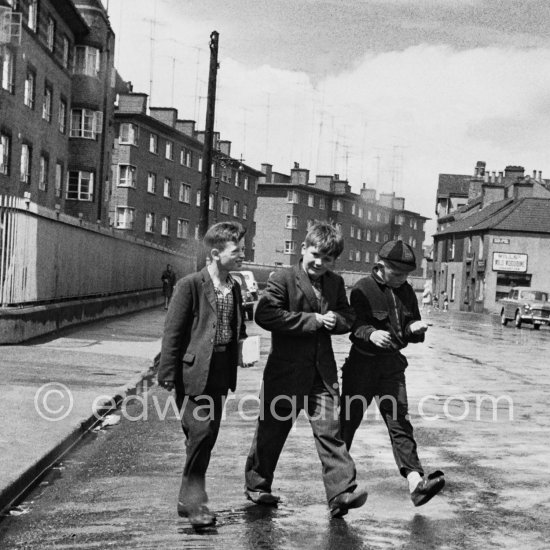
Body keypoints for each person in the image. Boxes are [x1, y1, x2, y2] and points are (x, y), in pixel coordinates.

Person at [244, 222, 368, 519]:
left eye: (327, 259)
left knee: (330, 432)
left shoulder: (335, 283)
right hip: (285, 372)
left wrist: (336, 320)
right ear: (303, 249)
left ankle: (341, 494)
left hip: (321, 374)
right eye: (315, 254)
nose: (319, 263)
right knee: (272, 430)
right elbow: (266, 314)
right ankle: (258, 485)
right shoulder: (283, 278)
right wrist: (312, 320)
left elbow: (347, 315)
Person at [340, 240, 445, 507]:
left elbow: (408, 326)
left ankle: (416, 484)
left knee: (400, 424)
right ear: (381, 266)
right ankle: (339, 490)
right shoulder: (362, 288)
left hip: (391, 368)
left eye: (406, 275)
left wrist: (415, 329)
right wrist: (371, 334)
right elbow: (354, 325)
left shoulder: (407, 291)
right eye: (397, 274)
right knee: (347, 425)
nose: (402, 280)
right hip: (361, 367)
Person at [158, 222, 249, 529]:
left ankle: (191, 497)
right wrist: (167, 372)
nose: (242, 255)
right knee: (201, 433)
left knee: (203, 438)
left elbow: (237, 326)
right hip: (193, 373)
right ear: (215, 253)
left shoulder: (234, 286)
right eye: (236, 250)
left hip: (221, 372)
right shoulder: (190, 285)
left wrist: (242, 350)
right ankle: (192, 502)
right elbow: (173, 332)